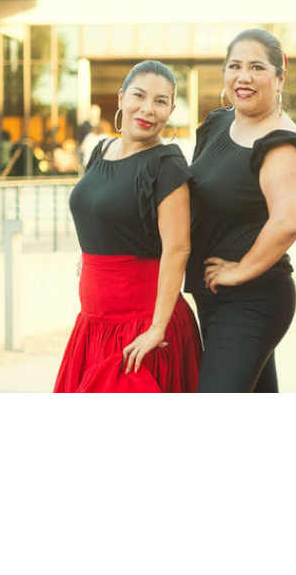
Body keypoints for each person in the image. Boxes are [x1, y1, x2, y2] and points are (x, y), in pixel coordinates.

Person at [54, 61, 202, 393]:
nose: (148, 109)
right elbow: (97, 206)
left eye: (161, 101)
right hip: (94, 321)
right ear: (121, 98)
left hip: (141, 326)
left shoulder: (168, 166)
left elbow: (178, 249)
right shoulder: (101, 149)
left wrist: (157, 329)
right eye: (139, 95)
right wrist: (91, 251)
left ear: (171, 110)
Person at [186, 28, 296, 392]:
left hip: (253, 301)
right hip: (213, 295)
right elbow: (194, 198)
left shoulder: (280, 144)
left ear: (279, 75)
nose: (244, 77)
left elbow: (289, 221)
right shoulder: (218, 123)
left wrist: (240, 271)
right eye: (235, 66)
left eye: (257, 67)